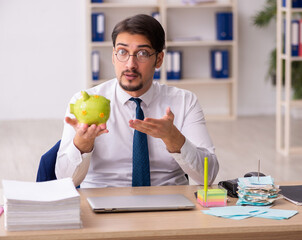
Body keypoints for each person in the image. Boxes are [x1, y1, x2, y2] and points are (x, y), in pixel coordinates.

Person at [55, 14, 219, 188]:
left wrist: (174, 138)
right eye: (122, 52)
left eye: (142, 53)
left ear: (159, 59)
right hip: (103, 202)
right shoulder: (84, 102)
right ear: (113, 56)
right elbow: (65, 181)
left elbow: (208, 178)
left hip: (167, 202)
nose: (130, 64)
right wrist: (82, 143)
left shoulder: (185, 101)